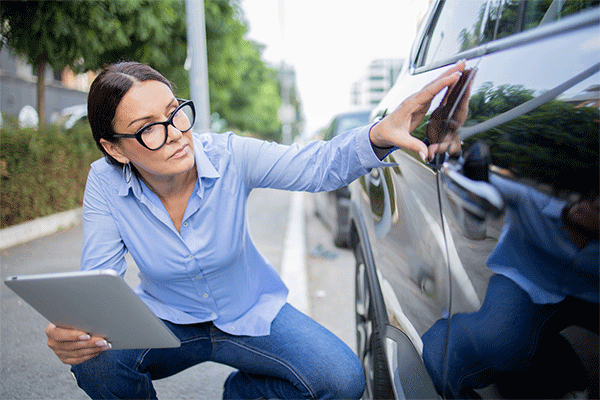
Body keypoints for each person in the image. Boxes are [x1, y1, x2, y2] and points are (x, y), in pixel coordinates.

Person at [45, 60, 465, 400]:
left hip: (251, 312)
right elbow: (100, 283)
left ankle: (243, 394)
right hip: (168, 320)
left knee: (342, 380)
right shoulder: (104, 182)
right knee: (94, 357)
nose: (175, 134)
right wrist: (76, 329)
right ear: (114, 148)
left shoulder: (228, 155)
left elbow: (315, 165)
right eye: (150, 127)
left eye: (175, 113)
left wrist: (378, 134)